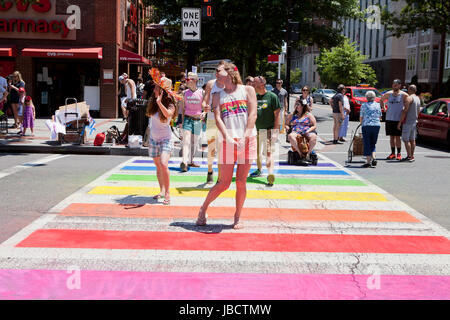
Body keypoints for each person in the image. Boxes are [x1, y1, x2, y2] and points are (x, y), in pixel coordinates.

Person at [196, 62, 257, 230]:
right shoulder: (218, 95)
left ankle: (237, 216)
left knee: (241, 181)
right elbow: (218, 119)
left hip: (248, 139)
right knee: (223, 183)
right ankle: (203, 209)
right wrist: (228, 137)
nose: (216, 74)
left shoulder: (248, 90)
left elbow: (253, 114)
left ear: (230, 72)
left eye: (218, 71)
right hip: (228, 141)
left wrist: (245, 135)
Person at [146, 69, 181, 206]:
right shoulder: (152, 102)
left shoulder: (170, 103)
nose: (154, 89)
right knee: (158, 166)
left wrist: (160, 102)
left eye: (157, 87)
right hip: (154, 139)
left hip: (166, 139)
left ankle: (167, 193)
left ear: (162, 90)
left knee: (164, 163)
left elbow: (168, 115)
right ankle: (161, 190)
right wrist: (156, 101)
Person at [249, 76, 281, 186]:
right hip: (255, 131)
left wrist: (276, 131)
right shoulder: (254, 96)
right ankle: (259, 169)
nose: (253, 86)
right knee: (257, 153)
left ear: (262, 85)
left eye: (255, 85)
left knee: (269, 152)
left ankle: (270, 174)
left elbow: (277, 115)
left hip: (268, 130)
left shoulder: (272, 96)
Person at [202, 61, 227, 183]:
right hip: (212, 120)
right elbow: (205, 100)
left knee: (222, 149)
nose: (217, 73)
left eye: (219, 70)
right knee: (212, 148)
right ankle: (210, 170)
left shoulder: (230, 85)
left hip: (225, 122)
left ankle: (220, 176)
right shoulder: (211, 84)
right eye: (216, 71)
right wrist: (205, 107)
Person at [179, 72, 204, 171]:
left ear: (194, 81)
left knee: (194, 142)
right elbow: (182, 109)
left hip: (197, 120)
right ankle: (184, 162)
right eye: (186, 79)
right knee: (186, 141)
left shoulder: (202, 92)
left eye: (188, 79)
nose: (186, 81)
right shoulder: (184, 93)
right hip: (188, 119)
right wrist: (180, 121)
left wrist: (204, 114)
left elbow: (205, 106)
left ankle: (190, 161)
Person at [380, 79, 409, 160]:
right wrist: (384, 108)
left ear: (399, 85)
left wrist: (405, 109)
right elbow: (381, 100)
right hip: (389, 118)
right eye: (393, 84)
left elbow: (408, 102)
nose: (394, 86)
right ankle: (393, 153)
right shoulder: (388, 94)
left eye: (395, 85)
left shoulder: (404, 95)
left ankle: (399, 153)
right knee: (391, 137)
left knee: (397, 137)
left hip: (398, 119)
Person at [398, 85, 420, 162]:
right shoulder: (417, 98)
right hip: (414, 121)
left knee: (405, 139)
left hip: (407, 122)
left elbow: (405, 111)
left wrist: (400, 122)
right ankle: (412, 156)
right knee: (412, 139)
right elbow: (418, 111)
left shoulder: (409, 98)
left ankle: (409, 156)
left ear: (409, 89)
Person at [360, 91, 382, 168]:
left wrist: (361, 123)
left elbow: (361, 117)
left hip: (367, 125)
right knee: (373, 143)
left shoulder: (364, 105)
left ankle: (368, 161)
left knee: (367, 142)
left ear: (367, 97)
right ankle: (374, 158)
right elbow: (380, 117)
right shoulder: (378, 105)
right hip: (376, 125)